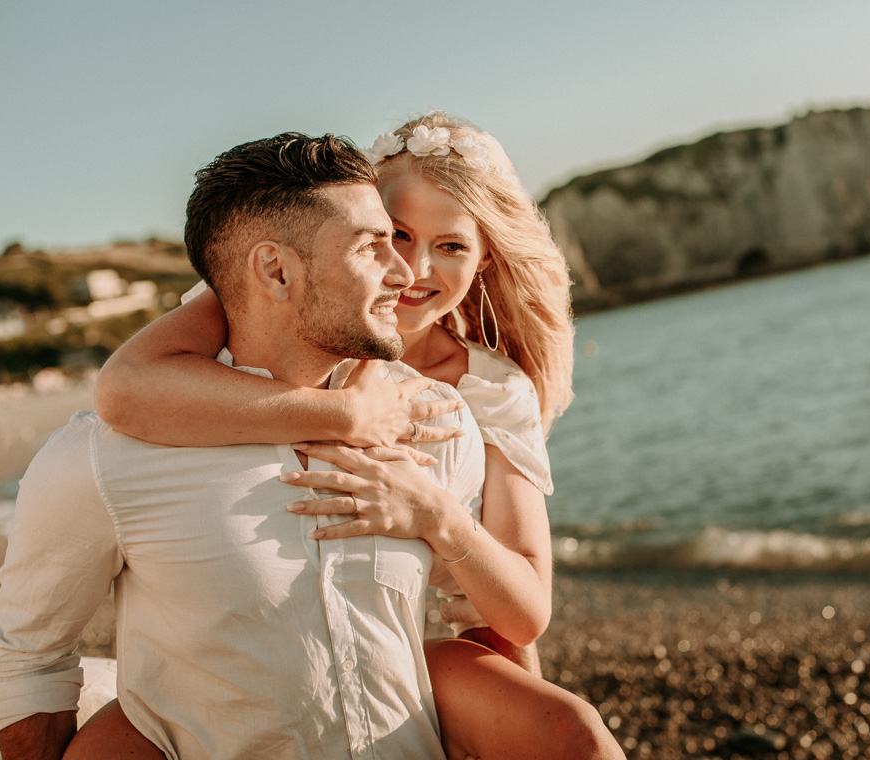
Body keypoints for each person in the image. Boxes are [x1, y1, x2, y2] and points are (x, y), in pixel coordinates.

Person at [64, 115, 624, 759]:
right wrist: (348, 415)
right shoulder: (265, 305)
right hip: (255, 639)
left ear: (485, 257)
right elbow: (125, 389)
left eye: (451, 247)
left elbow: (518, 612)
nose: (412, 269)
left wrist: (432, 511)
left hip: (435, 645)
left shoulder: (490, 390)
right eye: (399, 234)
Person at [0, 132, 481, 759]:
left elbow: (484, 620)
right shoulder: (102, 459)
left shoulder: (436, 420)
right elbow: (31, 664)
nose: (405, 273)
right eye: (371, 246)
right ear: (276, 270)